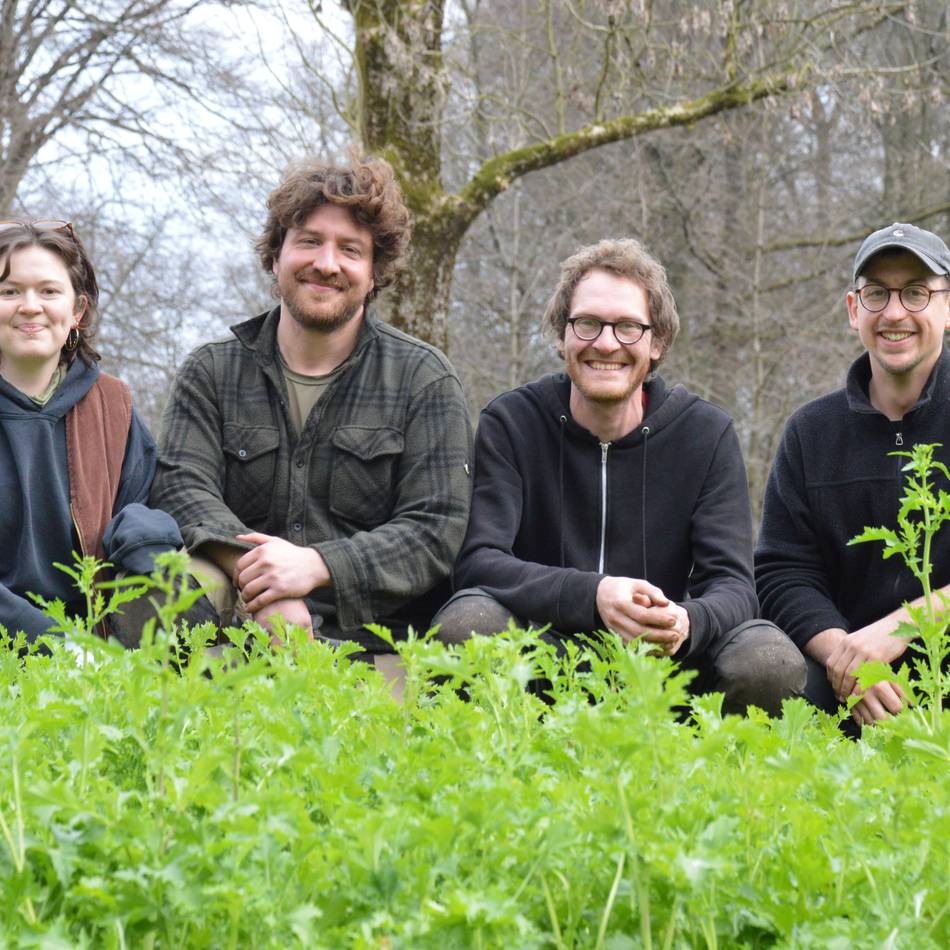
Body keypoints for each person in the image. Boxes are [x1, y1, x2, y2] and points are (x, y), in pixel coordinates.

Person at [435, 238, 805, 715]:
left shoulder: (706, 434)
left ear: (657, 343)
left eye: (628, 327)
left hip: (667, 668)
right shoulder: (512, 422)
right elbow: (479, 561)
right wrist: (593, 594)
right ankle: (492, 772)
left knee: (767, 660)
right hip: (545, 658)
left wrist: (685, 623)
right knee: (468, 622)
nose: (606, 343)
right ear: (561, 335)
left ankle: (718, 781)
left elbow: (735, 586)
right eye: (587, 323)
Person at [150, 155, 472, 663]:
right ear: (276, 256)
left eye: (350, 249)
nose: (326, 263)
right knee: (165, 581)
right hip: (238, 628)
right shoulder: (211, 372)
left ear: (373, 275)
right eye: (308, 241)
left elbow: (435, 529)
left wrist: (319, 566)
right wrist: (263, 576)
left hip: (373, 644)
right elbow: (179, 488)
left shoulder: (423, 379)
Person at [756, 222, 950, 728]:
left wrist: (900, 630)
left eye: (915, 293)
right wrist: (848, 659)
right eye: (876, 294)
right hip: (844, 684)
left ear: (948, 308)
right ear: (852, 310)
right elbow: (783, 570)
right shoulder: (810, 432)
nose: (893, 312)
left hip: (941, 670)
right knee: (764, 674)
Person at [0, 218, 182, 647]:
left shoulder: (112, 406)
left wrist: (145, 541)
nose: (30, 306)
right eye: (9, 291)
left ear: (77, 311)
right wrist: (56, 644)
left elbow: (140, 502)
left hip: (99, 650)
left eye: (48, 291)